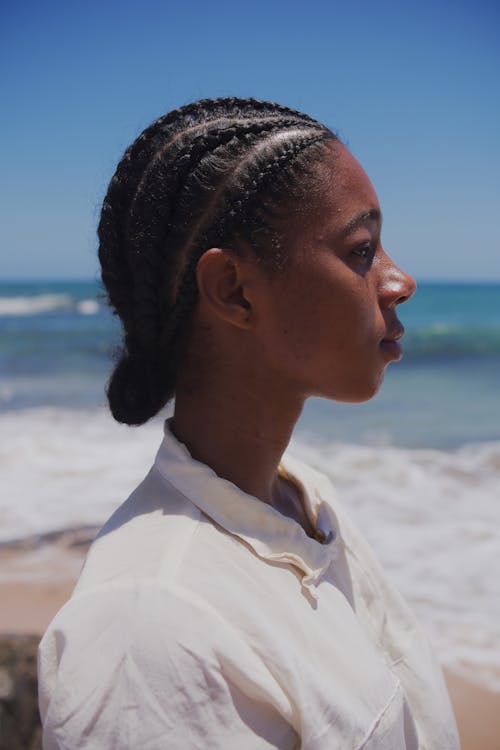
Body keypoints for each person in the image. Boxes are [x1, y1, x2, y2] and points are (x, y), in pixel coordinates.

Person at [38, 97, 459, 749]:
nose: (399, 280)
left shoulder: (306, 500)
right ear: (234, 290)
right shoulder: (149, 625)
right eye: (362, 250)